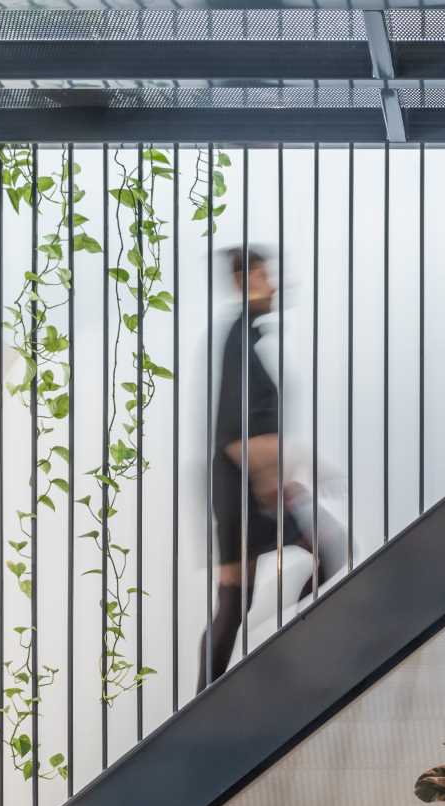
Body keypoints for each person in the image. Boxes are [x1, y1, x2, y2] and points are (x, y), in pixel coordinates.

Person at [199, 246, 347, 690]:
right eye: (264, 276)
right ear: (244, 281)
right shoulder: (238, 342)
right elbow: (237, 431)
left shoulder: (243, 339)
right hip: (244, 490)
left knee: (235, 598)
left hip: (240, 490)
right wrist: (275, 484)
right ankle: (286, 657)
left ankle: (206, 697)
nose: (274, 284)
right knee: (326, 548)